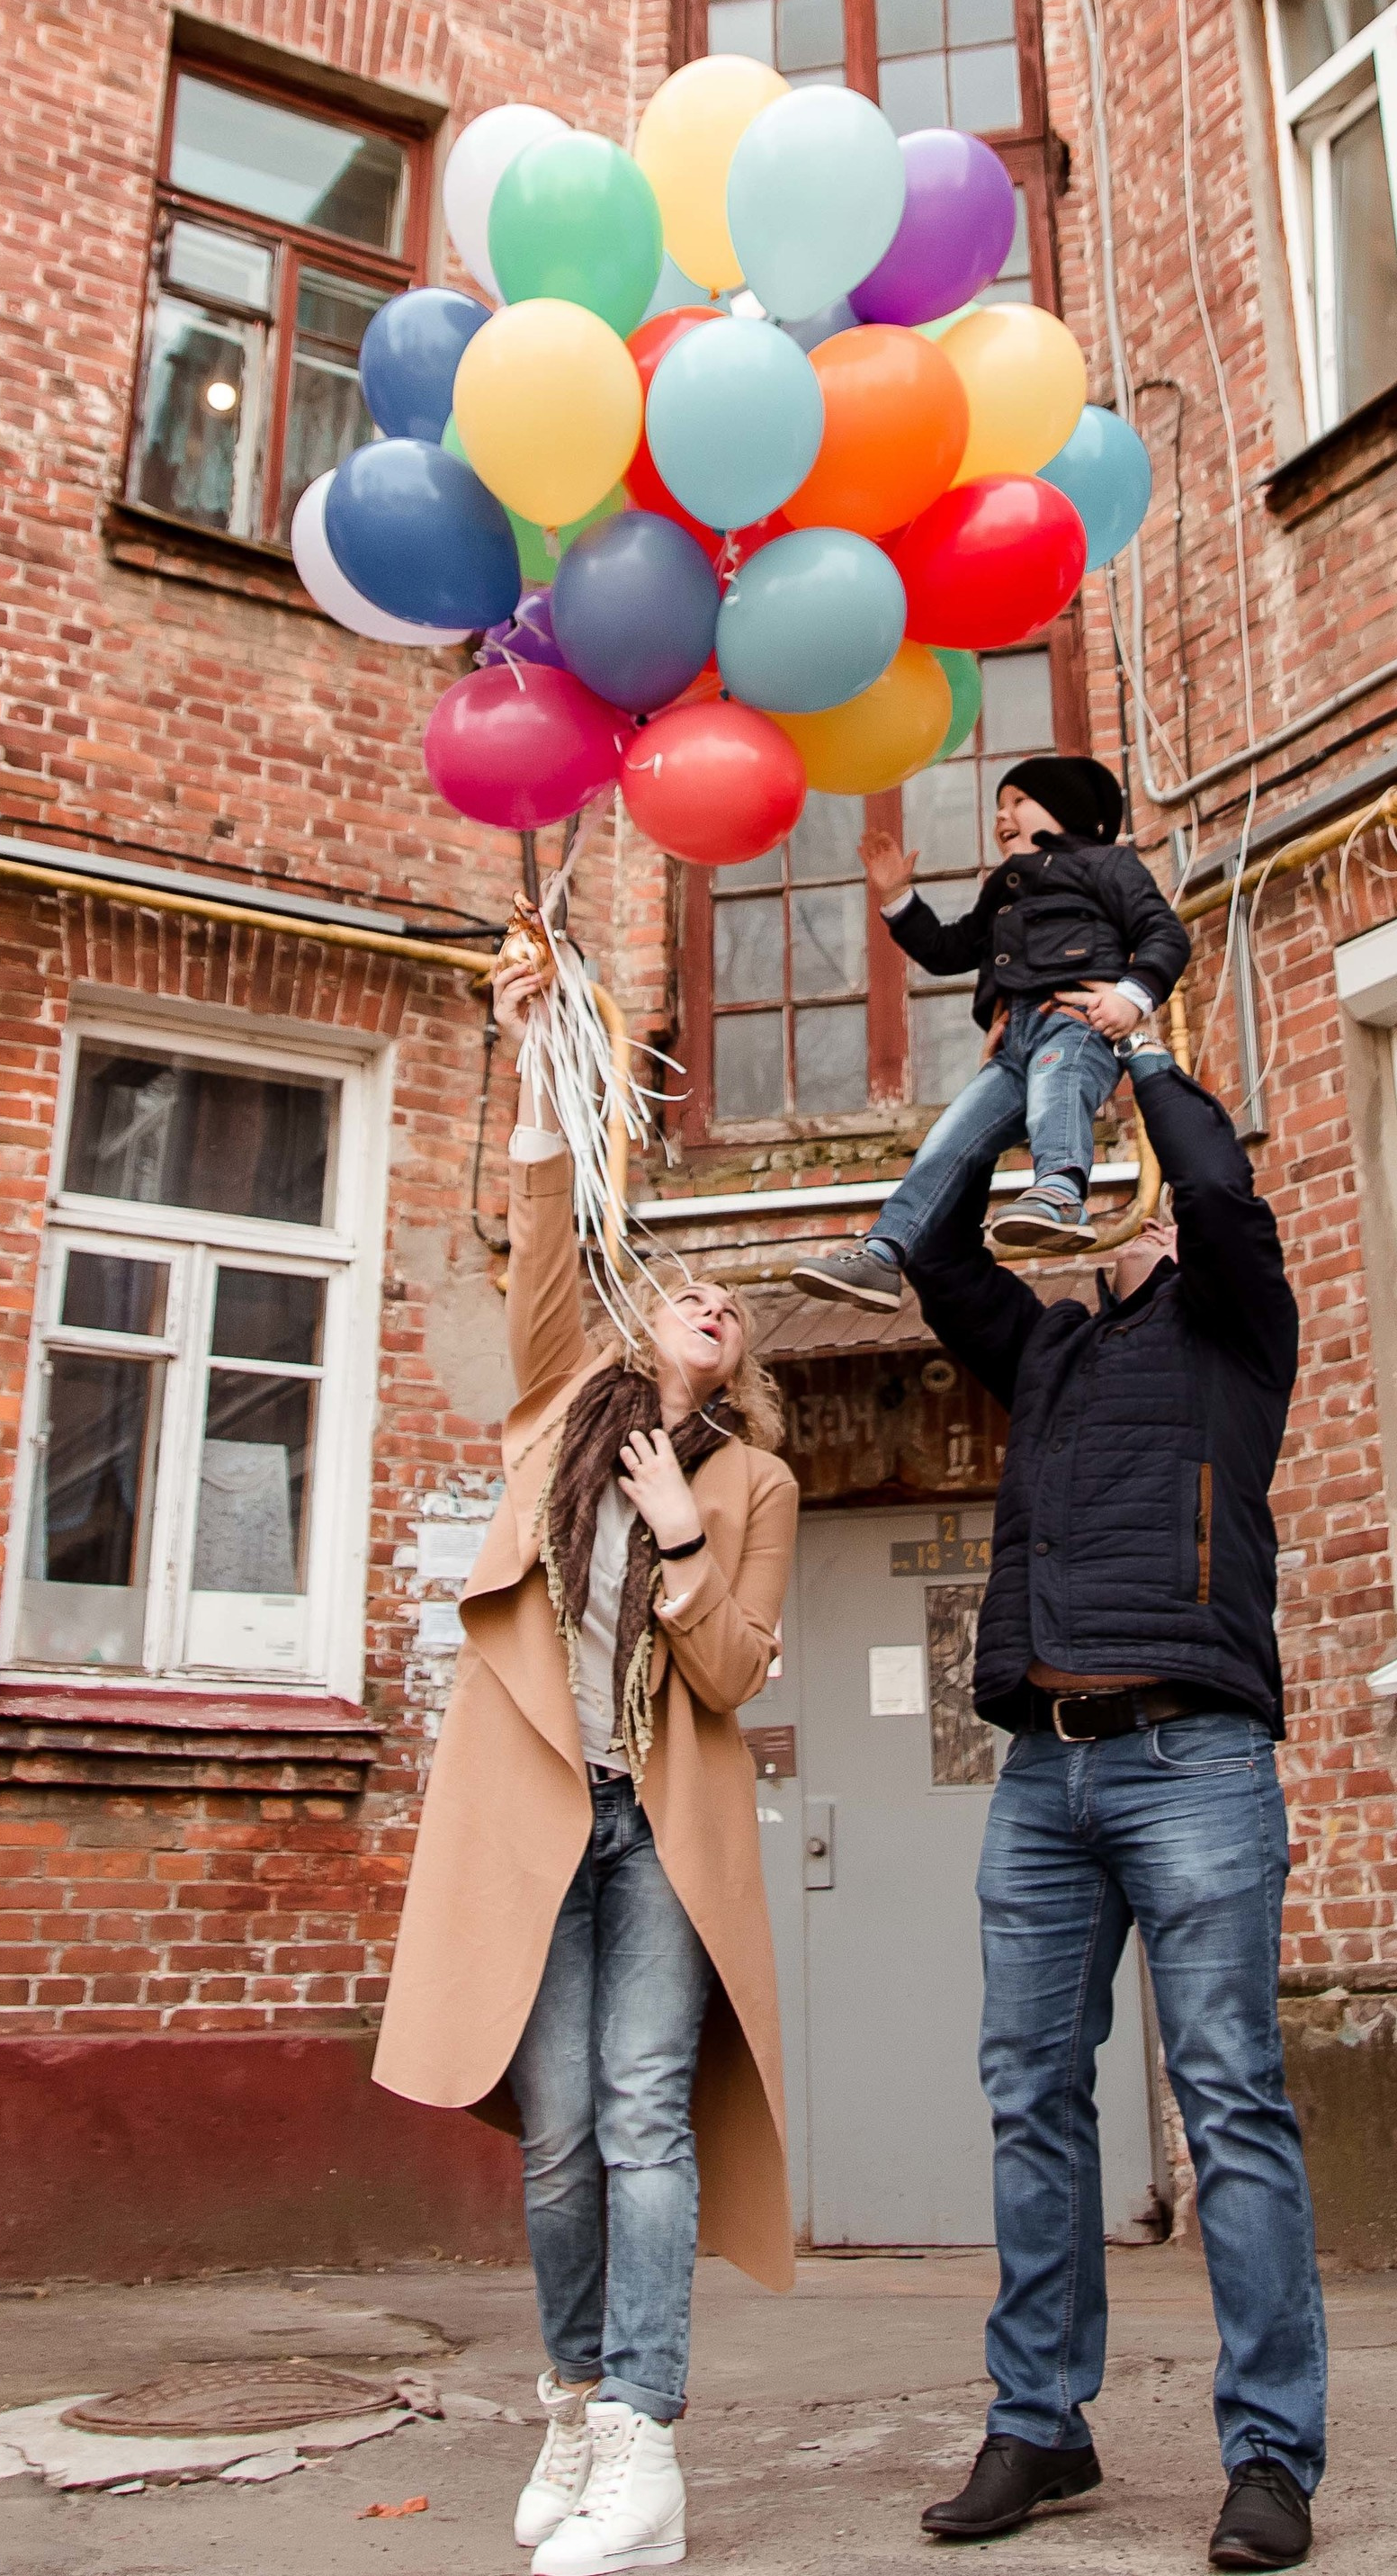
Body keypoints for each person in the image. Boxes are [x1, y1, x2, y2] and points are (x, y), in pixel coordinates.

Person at [374, 943, 799, 2576]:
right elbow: (542, 1234)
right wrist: (542, 1045)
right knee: (555, 2134)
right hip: (534, 1825)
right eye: (689, 1286)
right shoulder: (561, 1405)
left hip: (659, 1837)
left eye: (731, 1304)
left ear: (740, 1359)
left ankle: (644, 2441)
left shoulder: (756, 1486)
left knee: (642, 2118)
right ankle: (566, 2396)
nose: (709, 1299)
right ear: (648, 1317)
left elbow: (738, 1669)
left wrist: (686, 1540)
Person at [907, 1018, 1327, 2572]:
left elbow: (1220, 1193)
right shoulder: (1049, 1348)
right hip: (1045, 1774)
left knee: (1229, 2103)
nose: (1131, 1207)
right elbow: (939, 1247)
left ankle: (1273, 2456)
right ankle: (1042, 2425)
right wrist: (1035, 1082)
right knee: (1029, 2093)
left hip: (1197, 1759)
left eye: (1139, 1190)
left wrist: (1141, 1061)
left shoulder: (1239, 1331)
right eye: (1120, 1190)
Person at [791, 754, 1190, 1310]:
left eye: (1017, 802)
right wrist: (897, 898)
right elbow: (949, 949)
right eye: (998, 806)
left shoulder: (1107, 865)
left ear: (1065, 810)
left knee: (1058, 1089)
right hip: (1010, 1045)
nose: (1002, 816)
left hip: (1074, 1023)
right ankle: (884, 1252)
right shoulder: (1002, 889)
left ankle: (1061, 1193)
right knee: (948, 1141)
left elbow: (1163, 934)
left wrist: (1131, 996)